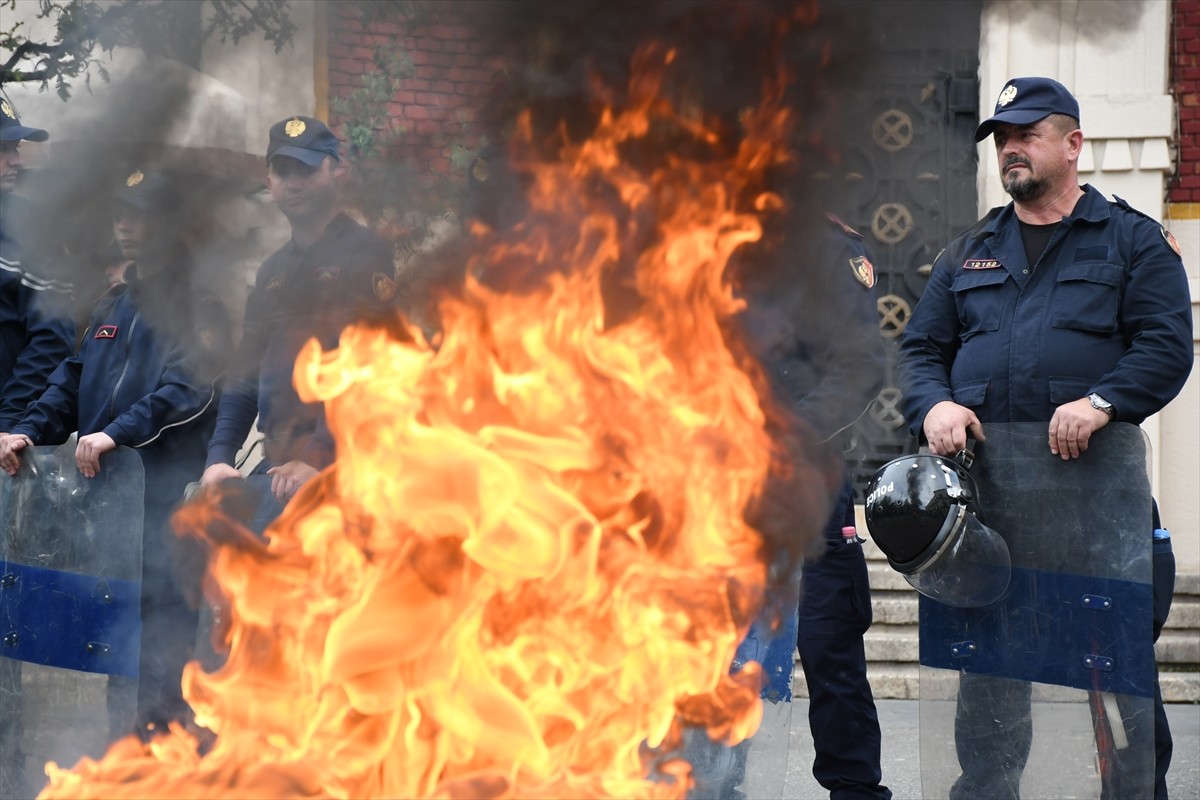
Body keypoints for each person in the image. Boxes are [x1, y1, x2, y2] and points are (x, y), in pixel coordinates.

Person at [898, 76, 1193, 799]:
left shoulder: (1131, 242)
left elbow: (1166, 344)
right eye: (1002, 138)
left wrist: (1104, 400)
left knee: (1117, 676)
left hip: (1097, 510)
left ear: (1073, 143)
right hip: (995, 511)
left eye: (1026, 134)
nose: (1010, 149)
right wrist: (933, 404)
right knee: (990, 675)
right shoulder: (968, 251)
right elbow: (918, 350)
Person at [0, 168, 232, 739]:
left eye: (142, 214)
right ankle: (123, 764)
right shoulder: (113, 303)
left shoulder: (198, 303)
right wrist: (27, 429)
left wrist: (116, 434)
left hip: (166, 508)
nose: (127, 225)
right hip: (106, 512)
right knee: (113, 646)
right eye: (121, 213)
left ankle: (171, 764)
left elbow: (188, 390)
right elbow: (69, 378)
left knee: (162, 649)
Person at [734, 212, 891, 799]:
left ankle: (854, 791)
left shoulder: (827, 246)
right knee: (700, 656)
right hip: (703, 489)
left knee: (830, 652)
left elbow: (858, 367)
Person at [198, 116, 396, 512]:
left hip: (342, 470)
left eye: (306, 167)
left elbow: (366, 367)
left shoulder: (366, 253)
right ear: (268, 182)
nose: (293, 181)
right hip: (278, 472)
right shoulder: (272, 271)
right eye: (282, 169)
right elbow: (244, 376)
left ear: (337, 171)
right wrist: (219, 456)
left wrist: (318, 456)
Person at [0, 97, 75, 433]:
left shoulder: (32, 230)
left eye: (15, 147)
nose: (16, 160)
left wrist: (9, 423)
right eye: (3, 149)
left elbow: (52, 340)